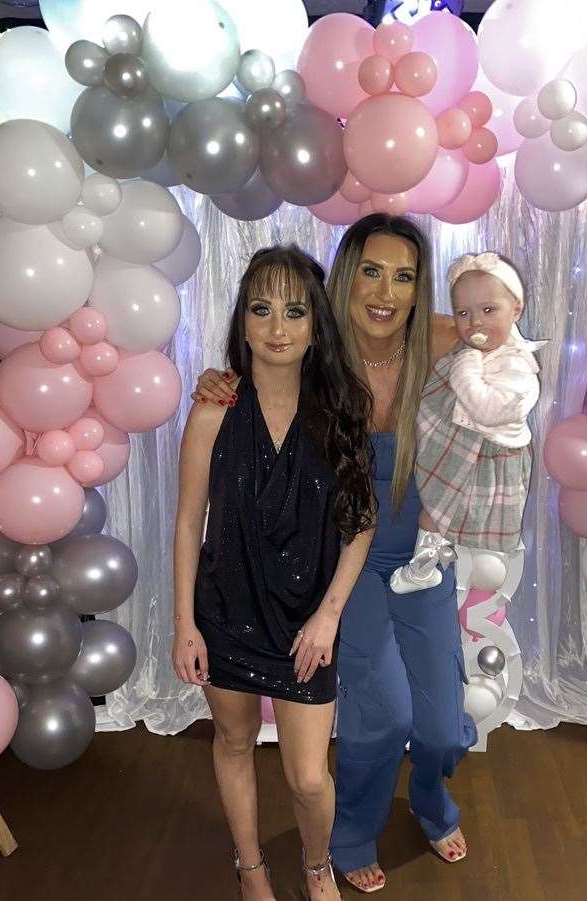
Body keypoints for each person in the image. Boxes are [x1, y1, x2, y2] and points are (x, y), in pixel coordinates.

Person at [194, 215, 477, 895]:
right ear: (345, 279)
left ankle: (434, 799)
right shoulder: (321, 350)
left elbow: (507, 337)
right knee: (385, 713)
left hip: (421, 555)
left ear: (418, 288)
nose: (385, 290)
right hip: (350, 560)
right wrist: (215, 380)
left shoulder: (438, 341)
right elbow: (261, 375)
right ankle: (348, 832)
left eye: (404, 275)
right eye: (371, 271)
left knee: (440, 722)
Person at [174, 245, 374, 901]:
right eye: (261, 308)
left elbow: (360, 521)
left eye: (294, 310)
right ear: (242, 319)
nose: (277, 327)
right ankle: (251, 865)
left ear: (317, 323)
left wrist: (329, 614)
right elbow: (187, 523)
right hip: (226, 611)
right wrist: (185, 625)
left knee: (309, 778)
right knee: (232, 742)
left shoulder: (341, 411)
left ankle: (316, 864)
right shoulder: (213, 411)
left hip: (304, 622)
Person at [390, 251, 542, 594]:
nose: (475, 323)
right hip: (459, 444)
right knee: (432, 510)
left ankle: (425, 568)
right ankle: (436, 557)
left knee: (437, 515)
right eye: (463, 312)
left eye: (489, 310)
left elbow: (487, 410)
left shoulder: (517, 368)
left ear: (515, 309)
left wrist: (465, 369)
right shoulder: (473, 352)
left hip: (485, 457)